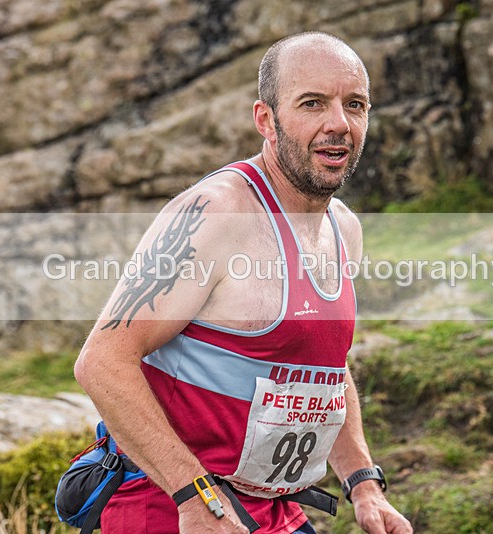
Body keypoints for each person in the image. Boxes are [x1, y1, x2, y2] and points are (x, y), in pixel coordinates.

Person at [74, 31, 413, 534]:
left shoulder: (343, 228)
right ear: (266, 120)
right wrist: (195, 498)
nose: (339, 124)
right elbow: (102, 362)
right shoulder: (216, 213)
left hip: (272, 507)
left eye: (354, 105)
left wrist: (364, 484)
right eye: (312, 103)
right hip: (169, 504)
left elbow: (322, 369)